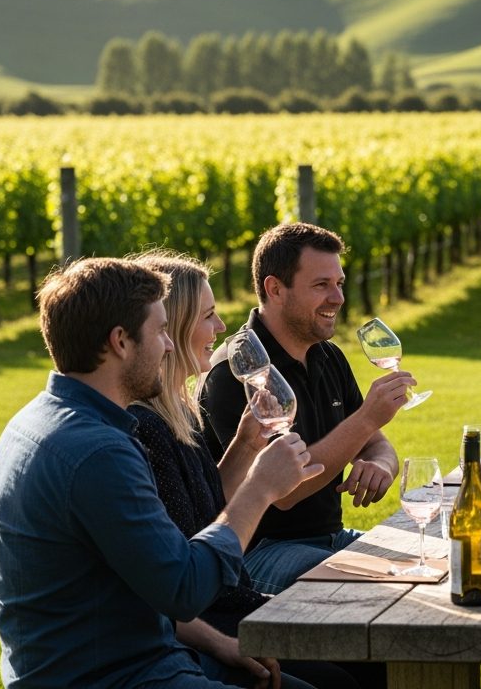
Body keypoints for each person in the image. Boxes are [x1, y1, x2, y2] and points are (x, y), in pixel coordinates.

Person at [0, 257, 322, 688]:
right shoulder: (98, 451)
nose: (168, 345)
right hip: (117, 676)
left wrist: (217, 642)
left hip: (124, 658)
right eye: (160, 330)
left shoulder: (41, 419)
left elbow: (152, 585)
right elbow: (185, 587)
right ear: (121, 341)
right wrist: (259, 488)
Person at [129, 251, 379, 689]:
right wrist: (264, 484)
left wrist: (246, 444)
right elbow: (178, 571)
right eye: (208, 316)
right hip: (228, 591)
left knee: (379, 640)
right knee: (360, 648)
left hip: (226, 594)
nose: (222, 328)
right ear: (171, 326)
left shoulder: (179, 412)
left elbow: (206, 508)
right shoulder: (148, 426)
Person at [200, 222, 413, 594]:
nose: (338, 298)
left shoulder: (328, 357)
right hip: (260, 552)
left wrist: (380, 465)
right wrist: (365, 420)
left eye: (339, 284)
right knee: (379, 589)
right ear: (275, 288)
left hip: (330, 538)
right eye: (321, 286)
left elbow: (378, 445)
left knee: (432, 563)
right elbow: (284, 493)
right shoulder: (238, 369)